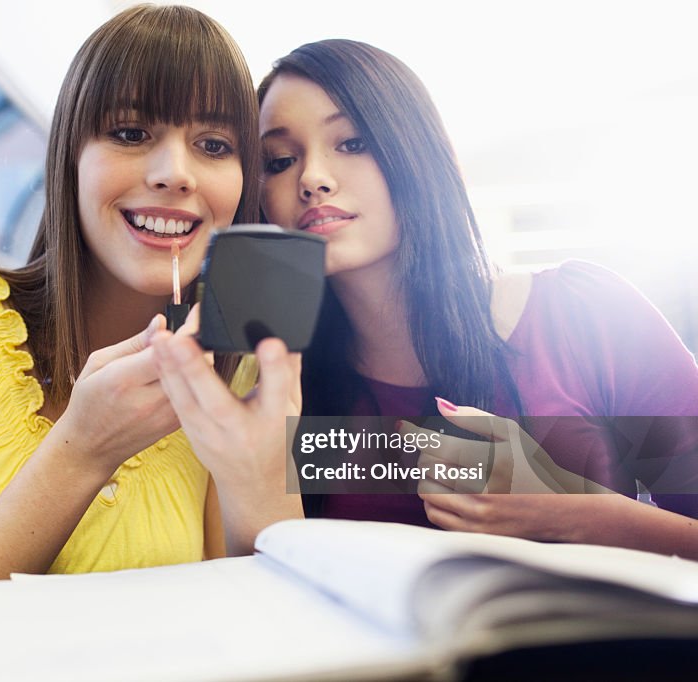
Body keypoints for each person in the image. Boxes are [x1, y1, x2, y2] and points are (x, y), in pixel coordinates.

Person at [0, 4, 301, 610]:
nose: (176, 173)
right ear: (70, 157)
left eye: (213, 144)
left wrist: (265, 471)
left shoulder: (237, 374)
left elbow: (266, 628)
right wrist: (82, 451)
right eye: (130, 133)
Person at [154, 38, 698, 559]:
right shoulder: (275, 387)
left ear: (416, 152)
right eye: (279, 161)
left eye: (353, 143)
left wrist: (569, 513)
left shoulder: (588, 315)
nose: (313, 179)